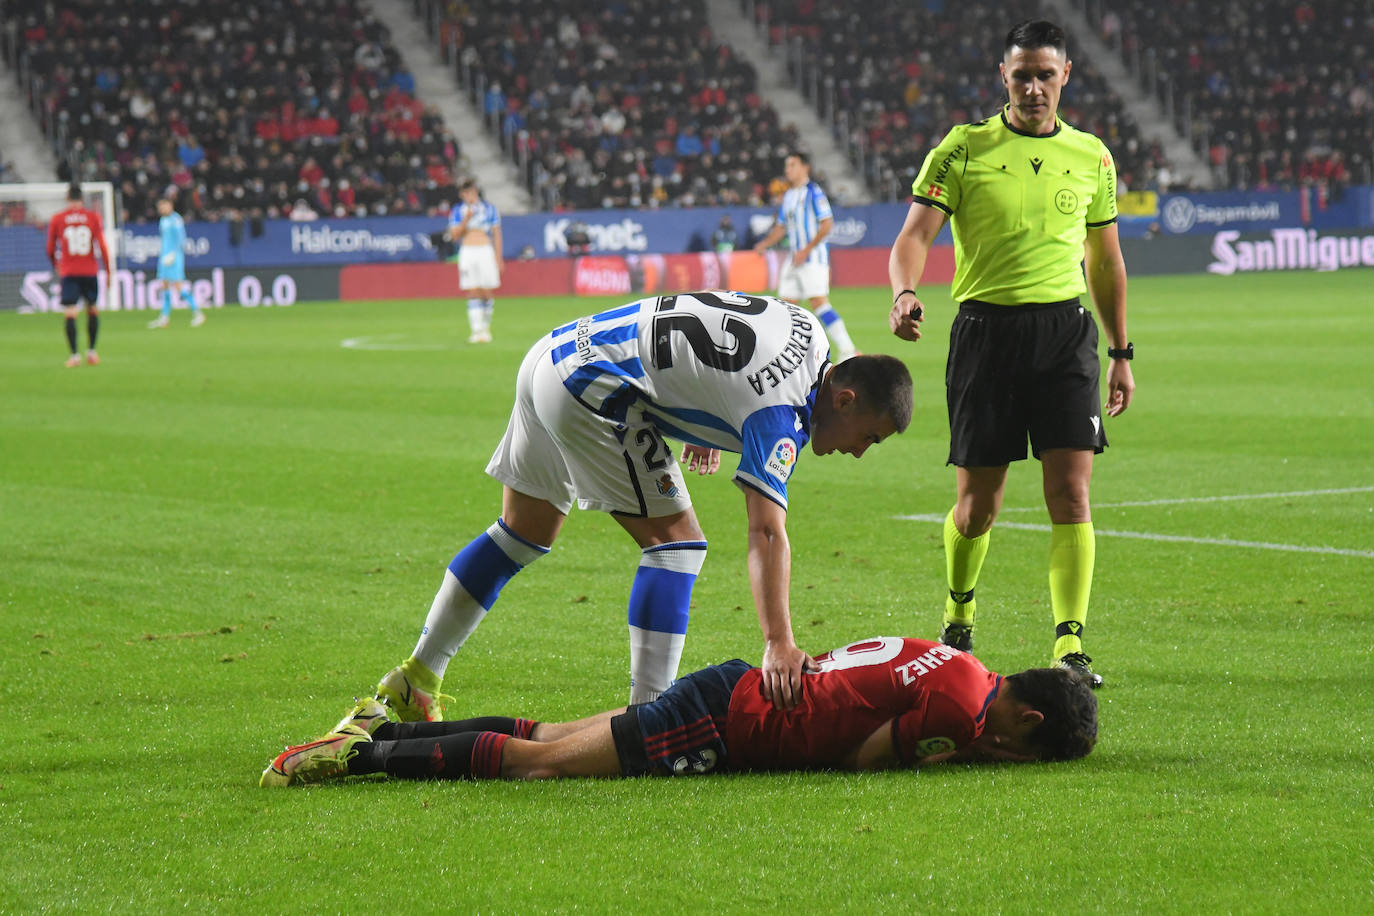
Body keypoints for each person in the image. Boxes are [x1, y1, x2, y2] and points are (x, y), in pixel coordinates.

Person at [370, 290, 913, 721]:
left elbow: (713, 322)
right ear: (844, 399)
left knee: (522, 531)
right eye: (869, 436)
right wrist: (779, 643)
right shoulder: (780, 418)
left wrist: (709, 408)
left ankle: (416, 679)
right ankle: (648, 718)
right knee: (677, 546)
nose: (859, 452)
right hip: (595, 389)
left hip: (555, 351)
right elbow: (765, 532)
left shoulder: (807, 328)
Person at [887, 20, 1136, 687]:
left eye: (1045, 75)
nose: (1033, 87)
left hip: (1065, 336)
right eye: (1021, 74)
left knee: (1072, 494)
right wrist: (904, 291)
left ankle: (1069, 645)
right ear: (1004, 75)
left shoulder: (1092, 157)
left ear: (1066, 75)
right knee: (979, 505)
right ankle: (959, 614)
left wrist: (1121, 350)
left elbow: (1105, 261)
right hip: (986, 336)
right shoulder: (964, 148)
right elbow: (912, 235)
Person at [260, 636, 1097, 786]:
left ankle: (388, 726)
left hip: (729, 692)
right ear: (1028, 723)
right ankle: (359, 758)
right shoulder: (959, 707)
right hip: (732, 724)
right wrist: (960, 758)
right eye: (1033, 754)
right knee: (545, 762)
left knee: (553, 735)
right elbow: (864, 759)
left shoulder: (961, 665)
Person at [753, 152, 858, 361]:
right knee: (786, 308)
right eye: (786, 166)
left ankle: (849, 350)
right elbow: (781, 228)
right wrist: (764, 244)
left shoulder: (814, 193)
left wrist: (807, 249)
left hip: (812, 258)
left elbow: (827, 224)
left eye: (792, 165)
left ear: (805, 168)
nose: (787, 170)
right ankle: (791, 355)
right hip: (795, 260)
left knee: (819, 302)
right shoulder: (790, 195)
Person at [46, 183, 112, 367]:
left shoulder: (58, 219)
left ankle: (74, 356)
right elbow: (103, 247)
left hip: (69, 272)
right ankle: (92, 352)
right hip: (90, 270)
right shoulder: (93, 217)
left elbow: (50, 249)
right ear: (82, 199)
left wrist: (57, 265)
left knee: (70, 312)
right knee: (92, 309)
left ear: (67, 199)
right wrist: (108, 273)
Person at [447, 178, 503, 343]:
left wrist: (499, 257)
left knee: (486, 290)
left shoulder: (489, 209)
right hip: (468, 250)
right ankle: (476, 330)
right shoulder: (458, 211)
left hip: (485, 250)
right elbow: (455, 236)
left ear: (475, 192)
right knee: (472, 290)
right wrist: (466, 219)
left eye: (471, 192)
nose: (468, 195)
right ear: (462, 195)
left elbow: (497, 235)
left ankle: (486, 328)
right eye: (465, 193)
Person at [147, 195, 206, 329]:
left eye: (164, 206)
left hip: (174, 258)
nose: (162, 209)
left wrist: (174, 254)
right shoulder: (163, 220)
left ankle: (198, 313)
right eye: (160, 207)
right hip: (164, 257)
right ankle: (164, 318)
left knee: (179, 287)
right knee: (165, 286)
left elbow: (182, 239)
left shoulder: (176, 219)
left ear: (170, 206)